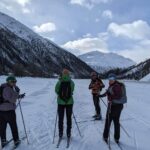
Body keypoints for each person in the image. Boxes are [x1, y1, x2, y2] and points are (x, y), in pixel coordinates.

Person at [0, 76, 25, 148]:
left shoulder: (2, 87)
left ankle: (3, 141)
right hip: (9, 111)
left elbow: (7, 97)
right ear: (8, 81)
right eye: (13, 82)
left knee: (2, 126)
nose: (14, 83)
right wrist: (17, 92)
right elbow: (12, 100)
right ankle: (16, 140)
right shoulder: (7, 88)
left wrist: (19, 96)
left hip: (1, 111)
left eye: (15, 81)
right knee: (13, 126)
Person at [99, 73, 125, 144]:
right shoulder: (113, 85)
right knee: (116, 122)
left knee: (108, 121)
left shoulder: (116, 86)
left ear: (115, 79)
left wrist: (110, 97)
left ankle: (105, 137)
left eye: (112, 79)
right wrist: (101, 95)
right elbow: (108, 92)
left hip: (114, 106)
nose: (110, 80)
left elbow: (118, 96)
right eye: (109, 79)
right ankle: (117, 138)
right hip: (118, 106)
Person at [55, 69, 75, 138]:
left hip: (60, 102)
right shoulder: (71, 82)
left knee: (61, 118)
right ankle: (68, 133)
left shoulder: (59, 81)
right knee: (69, 118)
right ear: (69, 74)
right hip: (69, 102)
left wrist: (60, 95)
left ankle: (60, 133)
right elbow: (72, 90)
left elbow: (56, 90)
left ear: (62, 74)